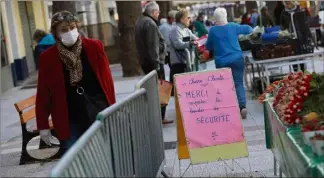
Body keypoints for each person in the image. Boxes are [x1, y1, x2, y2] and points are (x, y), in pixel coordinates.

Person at [36, 11, 116, 151]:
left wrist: (113, 108)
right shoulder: (47, 58)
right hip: (68, 117)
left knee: (103, 155)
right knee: (72, 161)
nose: (69, 32)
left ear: (77, 27)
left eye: (72, 27)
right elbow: (43, 93)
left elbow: (107, 82)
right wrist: (42, 125)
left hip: (96, 110)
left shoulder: (94, 47)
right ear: (56, 33)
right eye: (64, 30)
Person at [206, 7, 252, 119]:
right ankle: (242, 106)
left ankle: (228, 109)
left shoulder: (212, 30)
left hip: (221, 62)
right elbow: (249, 29)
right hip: (237, 59)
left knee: (224, 85)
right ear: (225, 16)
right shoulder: (233, 26)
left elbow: (208, 46)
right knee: (238, 83)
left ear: (215, 18)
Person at [135, 2, 173, 125]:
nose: (159, 14)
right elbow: (153, 46)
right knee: (160, 90)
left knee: (154, 90)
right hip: (154, 63)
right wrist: (156, 65)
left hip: (146, 62)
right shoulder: (150, 23)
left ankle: (157, 116)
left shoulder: (140, 21)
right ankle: (160, 117)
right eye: (158, 12)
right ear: (153, 12)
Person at [169, 9, 198, 95]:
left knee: (188, 91)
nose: (190, 19)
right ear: (182, 19)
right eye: (188, 17)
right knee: (180, 92)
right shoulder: (175, 29)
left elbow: (195, 39)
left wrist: (203, 39)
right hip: (179, 64)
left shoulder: (186, 30)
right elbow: (178, 44)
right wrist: (190, 43)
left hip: (188, 63)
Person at [280, 1, 305, 72]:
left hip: (299, 36)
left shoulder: (299, 10)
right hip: (289, 37)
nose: (288, 5)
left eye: (289, 3)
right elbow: (281, 24)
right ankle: (295, 72)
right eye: (286, 3)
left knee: (300, 54)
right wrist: (284, 32)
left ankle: (302, 71)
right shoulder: (284, 12)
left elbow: (304, 22)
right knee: (291, 54)